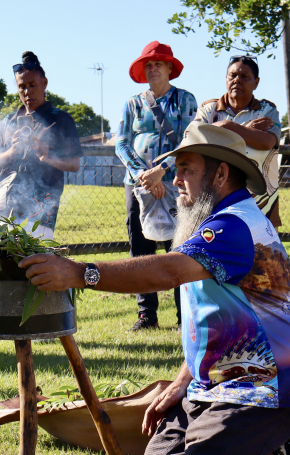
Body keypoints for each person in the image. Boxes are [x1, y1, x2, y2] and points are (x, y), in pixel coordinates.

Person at [19, 123, 290, 455]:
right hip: (218, 383)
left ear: (220, 174)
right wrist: (181, 381)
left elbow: (166, 273)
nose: (176, 181)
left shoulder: (232, 227)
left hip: (267, 388)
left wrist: (82, 273)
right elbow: (215, 324)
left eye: (186, 170)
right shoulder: (220, 222)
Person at [115, 41, 197, 331]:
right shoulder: (132, 104)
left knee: (179, 247)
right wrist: (144, 176)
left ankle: (184, 315)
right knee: (141, 249)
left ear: (169, 68)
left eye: (157, 64)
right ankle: (146, 314)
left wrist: (162, 171)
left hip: (176, 181)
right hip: (137, 185)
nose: (152, 69)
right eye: (147, 65)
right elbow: (122, 143)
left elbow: (190, 141)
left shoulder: (186, 100)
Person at [0, 51, 82, 240]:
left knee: (35, 260)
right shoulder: (9, 121)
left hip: (41, 207)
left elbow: (74, 164)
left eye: (32, 85)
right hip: (4, 202)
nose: (27, 91)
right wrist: (11, 152)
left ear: (44, 83)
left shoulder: (61, 119)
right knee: (2, 259)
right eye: (21, 86)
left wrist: (48, 157)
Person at [194, 55, 282, 227]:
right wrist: (246, 129)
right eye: (232, 76)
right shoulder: (208, 109)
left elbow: (266, 142)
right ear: (226, 79)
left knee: (262, 249)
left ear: (256, 82)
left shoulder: (267, 110)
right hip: (216, 194)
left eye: (244, 77)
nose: (237, 80)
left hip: (260, 198)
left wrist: (228, 127)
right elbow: (197, 138)